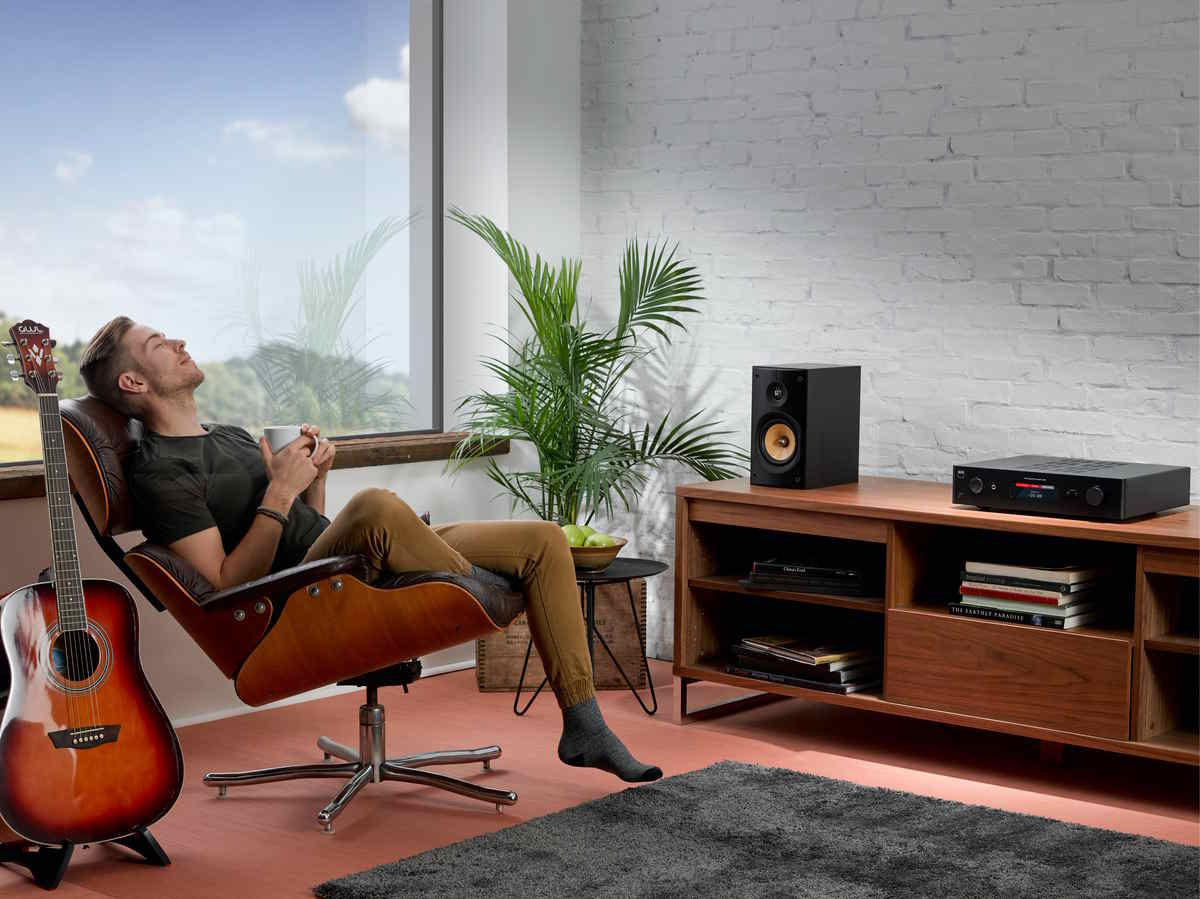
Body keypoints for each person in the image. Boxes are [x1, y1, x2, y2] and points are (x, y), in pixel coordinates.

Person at [77, 316, 661, 784]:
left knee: (543, 540)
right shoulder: (161, 473)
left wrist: (313, 482)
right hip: (292, 607)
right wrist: (281, 489)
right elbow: (227, 585)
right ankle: (469, 579)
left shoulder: (228, 436)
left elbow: (309, 528)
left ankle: (584, 725)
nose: (177, 341)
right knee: (379, 505)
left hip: (337, 568)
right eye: (157, 344)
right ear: (134, 383)